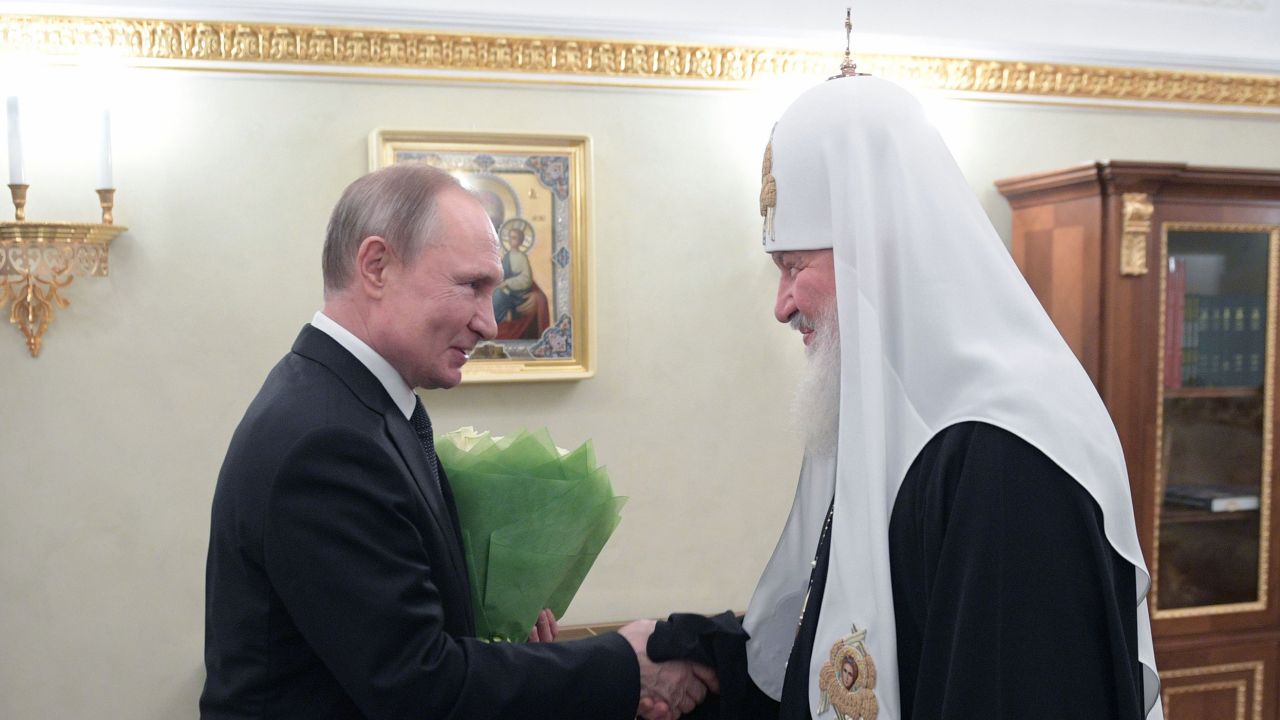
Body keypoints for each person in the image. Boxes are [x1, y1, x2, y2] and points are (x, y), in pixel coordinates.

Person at [649, 75, 1162, 719]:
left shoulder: (1005, 453)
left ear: (877, 249)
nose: (782, 306)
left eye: (793, 266)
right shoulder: (902, 425)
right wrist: (682, 652)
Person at [201, 164, 715, 720]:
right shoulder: (326, 443)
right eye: (471, 285)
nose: (489, 323)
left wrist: (520, 657)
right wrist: (623, 663)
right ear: (377, 266)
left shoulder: (349, 404)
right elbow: (418, 686)